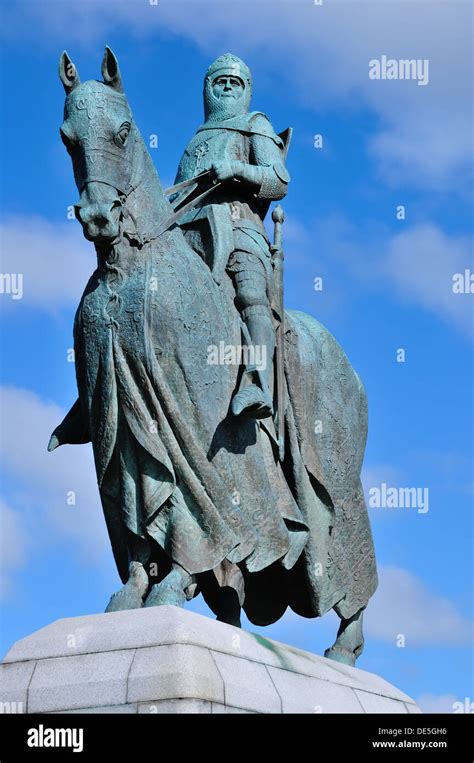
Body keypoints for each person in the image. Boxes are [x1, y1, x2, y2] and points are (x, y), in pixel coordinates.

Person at [174, 53, 290, 419]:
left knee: (252, 295)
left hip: (240, 229)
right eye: (219, 81)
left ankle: (257, 384)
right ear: (207, 88)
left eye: (234, 82)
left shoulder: (255, 124)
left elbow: (279, 180)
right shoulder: (196, 141)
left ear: (246, 90)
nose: (226, 86)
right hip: (188, 232)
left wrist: (237, 169)